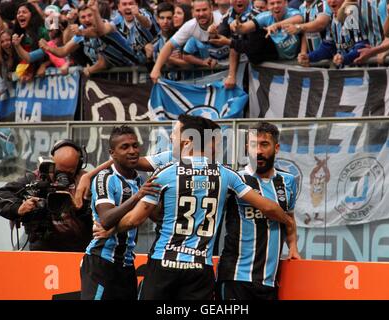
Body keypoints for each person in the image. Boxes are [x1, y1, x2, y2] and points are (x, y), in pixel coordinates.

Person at [114, 114, 296, 300]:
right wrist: (287, 221)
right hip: (200, 268)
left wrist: (110, 228)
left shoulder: (166, 172)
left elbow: (133, 220)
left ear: (189, 141)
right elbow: (269, 207)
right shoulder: (226, 175)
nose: (171, 139)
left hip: (164, 263)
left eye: (176, 135)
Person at [216, 122, 300, 300]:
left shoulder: (288, 181)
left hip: (269, 281)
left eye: (264, 144)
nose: (259, 151)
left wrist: (292, 246)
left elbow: (290, 218)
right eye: (254, 145)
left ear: (276, 148)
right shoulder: (235, 179)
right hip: (236, 276)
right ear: (247, 148)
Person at [81, 125, 160, 300]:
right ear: (112, 153)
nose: (132, 151)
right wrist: (138, 196)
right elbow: (106, 219)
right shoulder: (105, 178)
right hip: (101, 262)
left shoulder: (140, 180)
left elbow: (156, 217)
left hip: (126, 264)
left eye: (135, 145)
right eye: (125, 147)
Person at [0, 140, 93, 252]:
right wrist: (19, 208)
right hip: (42, 247)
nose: (63, 177)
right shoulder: (35, 178)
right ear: (51, 163)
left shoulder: (87, 180)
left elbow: (103, 214)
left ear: (78, 166)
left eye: (69, 172)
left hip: (79, 249)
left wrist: (81, 208)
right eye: (59, 171)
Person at [150, 0, 223, 83]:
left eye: (204, 9)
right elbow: (169, 46)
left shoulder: (221, 20)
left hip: (231, 70)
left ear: (211, 9)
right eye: (198, 10)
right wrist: (156, 68)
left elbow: (235, 44)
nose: (201, 14)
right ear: (193, 12)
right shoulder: (189, 26)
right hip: (207, 79)